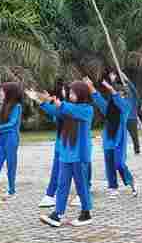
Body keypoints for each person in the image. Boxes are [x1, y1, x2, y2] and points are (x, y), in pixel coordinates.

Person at [26, 81, 94, 227]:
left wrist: (60, 104)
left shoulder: (87, 109)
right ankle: (57, 214)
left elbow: (70, 110)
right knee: (62, 184)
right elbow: (54, 111)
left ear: (82, 94)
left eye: (73, 93)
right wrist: (39, 100)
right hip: (67, 153)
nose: (70, 95)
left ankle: (86, 213)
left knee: (81, 185)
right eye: (70, 93)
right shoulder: (67, 108)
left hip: (80, 154)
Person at [92, 78, 137, 196]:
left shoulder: (126, 106)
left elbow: (120, 103)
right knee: (109, 163)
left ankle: (130, 181)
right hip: (108, 138)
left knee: (119, 163)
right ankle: (113, 187)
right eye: (117, 94)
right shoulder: (108, 107)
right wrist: (90, 86)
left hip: (119, 139)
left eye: (121, 94)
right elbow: (98, 98)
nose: (118, 96)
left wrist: (112, 89)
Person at [39, 78, 69, 208]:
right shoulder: (61, 107)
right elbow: (56, 113)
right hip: (61, 141)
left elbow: (58, 111)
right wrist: (47, 101)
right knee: (57, 168)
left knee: (78, 172)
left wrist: (43, 102)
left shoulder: (74, 109)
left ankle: (83, 195)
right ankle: (50, 195)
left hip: (73, 144)